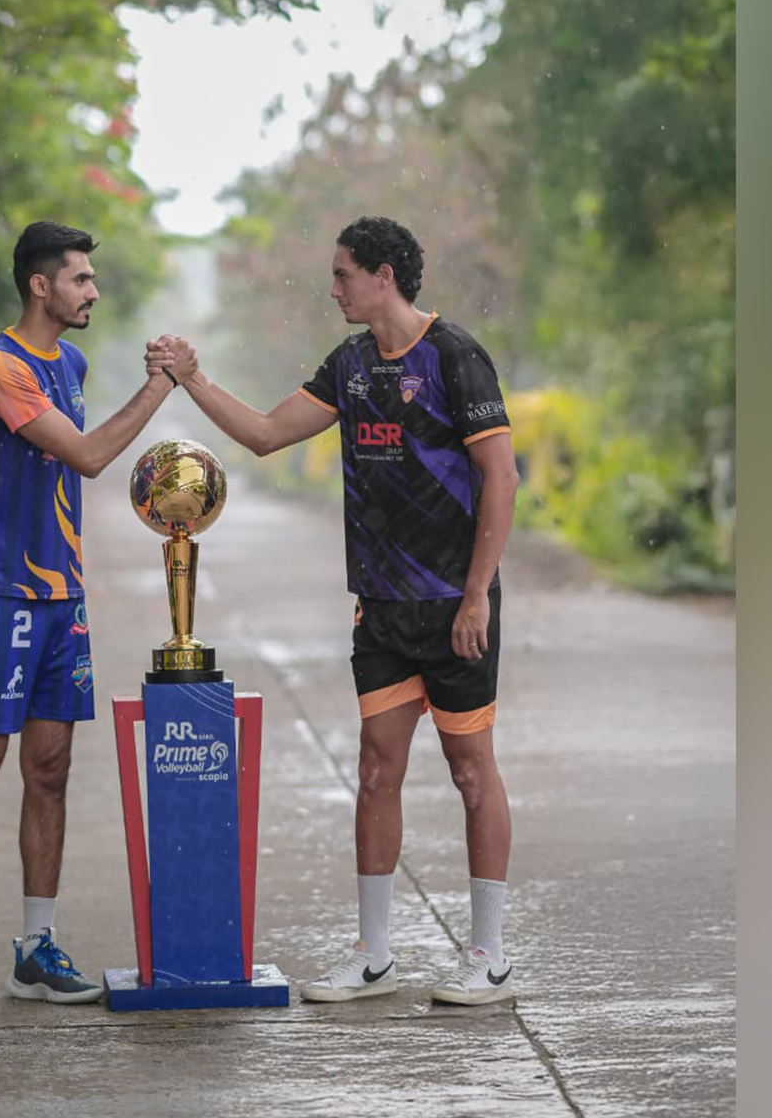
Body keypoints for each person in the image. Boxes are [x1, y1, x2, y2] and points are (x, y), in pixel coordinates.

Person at [157, 215, 521, 1006]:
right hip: (382, 611)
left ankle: (488, 956)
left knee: (470, 771)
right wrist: (192, 379)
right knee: (374, 771)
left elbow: (500, 476)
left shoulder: (453, 354)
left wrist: (476, 595)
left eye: (344, 273)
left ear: (383, 275)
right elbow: (262, 434)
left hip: (454, 608)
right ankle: (374, 955)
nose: (334, 288)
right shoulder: (351, 364)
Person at [0, 221, 194, 1016]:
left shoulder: (71, 361)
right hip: (3, 596)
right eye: (80, 279)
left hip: (63, 595)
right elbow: (89, 455)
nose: (93, 291)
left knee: (52, 770)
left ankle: (35, 950)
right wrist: (164, 385)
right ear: (40, 285)